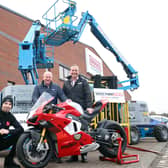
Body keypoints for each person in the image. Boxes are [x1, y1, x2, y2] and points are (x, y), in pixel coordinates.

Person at [32, 71, 67, 163]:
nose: (48, 78)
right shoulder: (38, 87)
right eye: (46, 77)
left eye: (49, 77)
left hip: (53, 113)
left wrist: (67, 101)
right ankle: (46, 154)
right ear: (43, 77)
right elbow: (34, 98)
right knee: (44, 133)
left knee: (56, 134)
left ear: (51, 78)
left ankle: (57, 155)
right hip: (42, 113)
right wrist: (40, 104)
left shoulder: (56, 87)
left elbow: (62, 97)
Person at [63, 64, 93, 163]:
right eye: (72, 71)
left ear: (78, 72)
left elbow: (88, 94)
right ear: (70, 72)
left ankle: (84, 155)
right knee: (71, 132)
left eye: (76, 70)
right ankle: (74, 155)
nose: (74, 72)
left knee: (82, 132)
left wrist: (89, 107)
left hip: (81, 110)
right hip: (70, 111)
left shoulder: (83, 82)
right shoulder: (66, 82)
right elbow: (63, 96)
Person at [0, 95, 24, 168]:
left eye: (10, 104)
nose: (7, 106)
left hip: (2, 141)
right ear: (2, 104)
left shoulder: (10, 116)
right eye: (6, 103)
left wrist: (8, 131)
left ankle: (9, 162)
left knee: (19, 135)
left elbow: (20, 129)